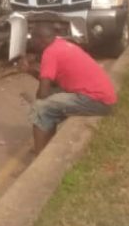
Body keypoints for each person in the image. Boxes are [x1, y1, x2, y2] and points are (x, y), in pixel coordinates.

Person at [20, 24, 117, 153]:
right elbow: (53, 84)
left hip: (96, 101)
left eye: (32, 39)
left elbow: (42, 93)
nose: (31, 42)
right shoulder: (60, 44)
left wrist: (40, 100)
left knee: (41, 107)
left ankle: (39, 155)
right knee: (52, 98)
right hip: (102, 97)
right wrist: (29, 70)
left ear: (40, 40)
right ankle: (47, 145)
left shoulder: (50, 53)